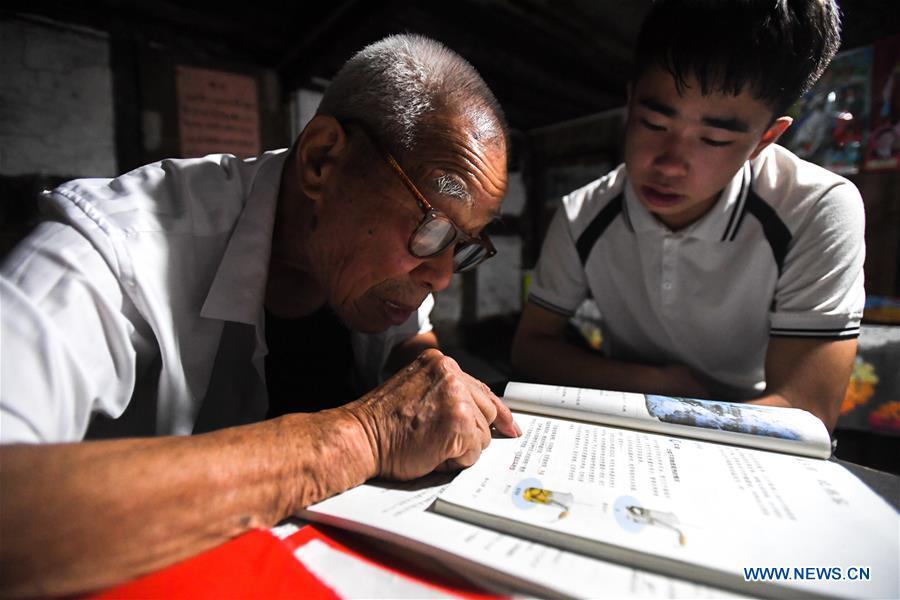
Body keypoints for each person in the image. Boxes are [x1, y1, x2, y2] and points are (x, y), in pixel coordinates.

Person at [0, 34, 519, 596]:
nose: (441, 275)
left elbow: (410, 343)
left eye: (463, 245)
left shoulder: (384, 274)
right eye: (432, 228)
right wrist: (362, 436)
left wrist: (432, 376)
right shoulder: (113, 250)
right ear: (322, 160)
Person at [511, 0, 864, 433]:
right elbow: (530, 347)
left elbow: (803, 409)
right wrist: (661, 383)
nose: (670, 164)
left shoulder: (815, 208)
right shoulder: (583, 214)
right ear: (630, 101)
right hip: (633, 417)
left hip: (749, 436)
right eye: (653, 124)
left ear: (764, 140)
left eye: (713, 139)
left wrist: (672, 399)